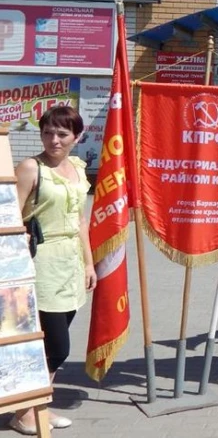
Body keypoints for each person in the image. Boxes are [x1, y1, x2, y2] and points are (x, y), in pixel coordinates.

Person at [12, 106, 95, 434]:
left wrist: (89, 263)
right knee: (55, 345)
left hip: (71, 262)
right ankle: (24, 411)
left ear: (77, 136)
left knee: (52, 345)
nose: (54, 140)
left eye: (62, 133)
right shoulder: (31, 168)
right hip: (40, 262)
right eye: (48, 132)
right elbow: (10, 217)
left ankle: (37, 409)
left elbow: (81, 220)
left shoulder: (77, 167)